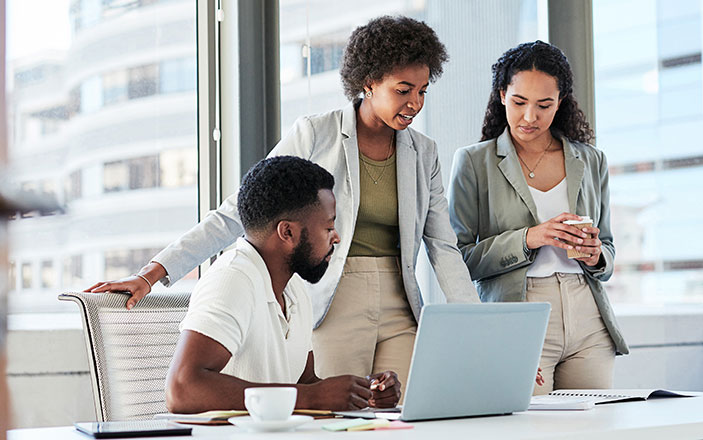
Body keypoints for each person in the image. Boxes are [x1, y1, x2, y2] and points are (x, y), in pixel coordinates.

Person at [87, 16, 479, 394]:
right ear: (370, 82)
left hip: (401, 304)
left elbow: (442, 246)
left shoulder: (423, 152)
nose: (415, 103)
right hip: (331, 298)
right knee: (336, 417)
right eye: (403, 89)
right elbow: (244, 208)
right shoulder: (316, 133)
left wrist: (477, 327)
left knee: (400, 417)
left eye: (423, 91)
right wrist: (153, 273)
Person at [448, 41, 629, 395]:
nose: (530, 117)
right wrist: (531, 237)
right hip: (520, 313)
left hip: (588, 316)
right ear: (502, 95)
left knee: (592, 429)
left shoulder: (591, 160)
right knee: (528, 427)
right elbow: (458, 260)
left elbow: (607, 249)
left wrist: (596, 255)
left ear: (560, 102)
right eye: (519, 102)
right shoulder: (473, 162)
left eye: (544, 105)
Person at [166, 156, 401, 413]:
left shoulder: (294, 288)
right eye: (328, 226)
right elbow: (181, 389)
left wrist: (363, 394)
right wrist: (312, 397)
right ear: (287, 232)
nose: (336, 237)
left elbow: (305, 384)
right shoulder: (232, 279)